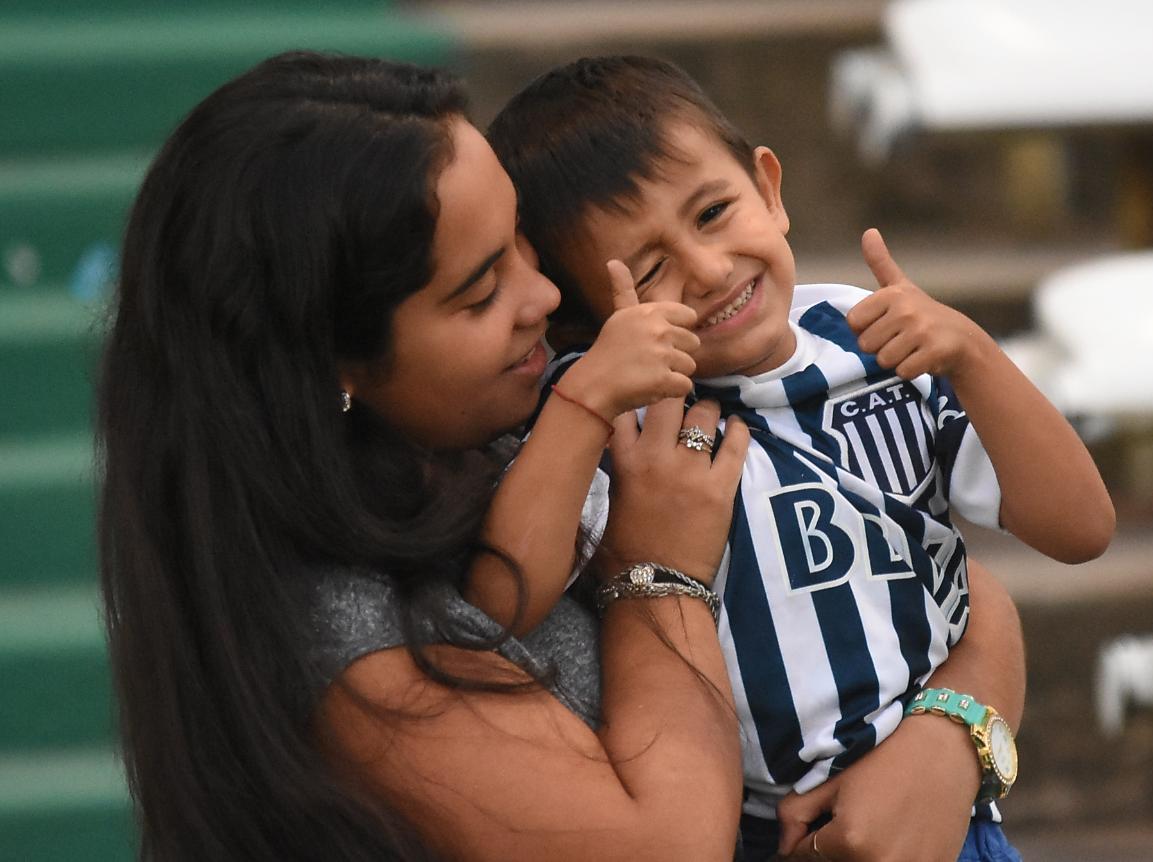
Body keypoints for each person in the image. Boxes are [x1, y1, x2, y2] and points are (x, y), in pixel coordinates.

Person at [97, 50, 1028, 861]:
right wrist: (659, 570)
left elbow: (950, 583)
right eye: (478, 291)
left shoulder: (517, 416)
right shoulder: (336, 633)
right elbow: (663, 849)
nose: (546, 294)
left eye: (523, 244)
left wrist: (952, 739)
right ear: (334, 365)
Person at [485, 55, 1115, 860]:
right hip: (749, 833)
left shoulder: (876, 338)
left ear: (770, 189)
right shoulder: (615, 412)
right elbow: (504, 596)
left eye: (714, 212)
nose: (709, 272)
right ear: (587, 322)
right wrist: (581, 406)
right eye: (648, 271)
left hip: (947, 815)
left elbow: (1081, 527)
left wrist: (974, 355)